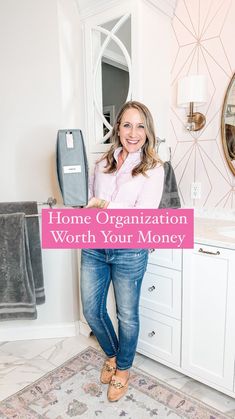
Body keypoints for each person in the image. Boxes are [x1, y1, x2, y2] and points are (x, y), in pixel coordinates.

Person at [80, 100, 165, 402]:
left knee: (126, 314)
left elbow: (144, 213)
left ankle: (124, 368)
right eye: (127, 124)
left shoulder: (153, 168)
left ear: (148, 131)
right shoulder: (102, 163)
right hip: (94, 245)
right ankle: (113, 355)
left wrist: (104, 205)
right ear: (118, 127)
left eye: (140, 125)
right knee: (92, 310)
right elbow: (88, 199)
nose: (133, 132)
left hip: (130, 248)